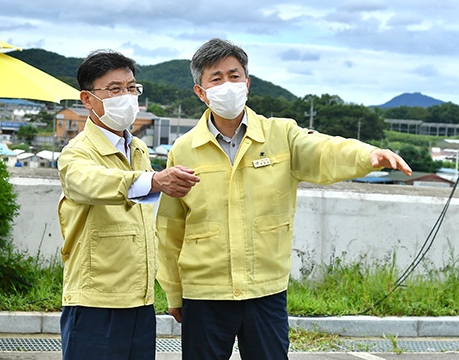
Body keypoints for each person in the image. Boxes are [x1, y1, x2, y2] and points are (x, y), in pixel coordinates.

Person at [156, 38, 412, 360]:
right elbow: (169, 227)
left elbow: (324, 150)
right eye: (216, 78)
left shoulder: (282, 134)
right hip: (205, 293)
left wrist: (367, 155)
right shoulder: (183, 149)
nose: (227, 85)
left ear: (247, 83)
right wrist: (174, 292)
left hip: (266, 290)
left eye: (234, 76)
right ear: (201, 91)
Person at [57, 50, 200, 360]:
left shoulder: (137, 147)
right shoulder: (76, 153)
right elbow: (90, 183)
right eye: (114, 89)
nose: (126, 96)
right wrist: (154, 182)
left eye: (131, 88)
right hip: (95, 302)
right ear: (88, 99)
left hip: (140, 301)